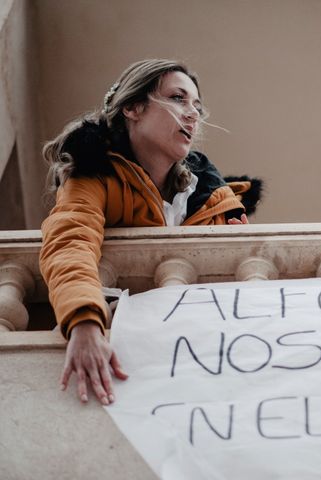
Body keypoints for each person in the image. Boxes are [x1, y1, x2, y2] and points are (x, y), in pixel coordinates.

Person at [39, 59, 261, 406]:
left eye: (197, 107)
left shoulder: (213, 199)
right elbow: (70, 241)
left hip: (206, 358)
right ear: (133, 107)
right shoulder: (94, 175)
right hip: (128, 349)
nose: (192, 114)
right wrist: (84, 320)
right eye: (178, 98)